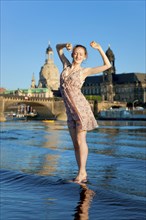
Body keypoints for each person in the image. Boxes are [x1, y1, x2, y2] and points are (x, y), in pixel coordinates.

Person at [56, 41, 111, 183]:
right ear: (72, 53)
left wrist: (99, 48)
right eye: (75, 52)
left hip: (81, 109)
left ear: (85, 57)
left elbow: (107, 65)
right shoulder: (66, 65)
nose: (77, 55)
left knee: (81, 140)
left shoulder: (85, 71)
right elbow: (58, 48)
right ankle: (81, 172)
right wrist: (65, 45)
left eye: (81, 54)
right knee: (75, 143)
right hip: (69, 110)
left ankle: (82, 173)